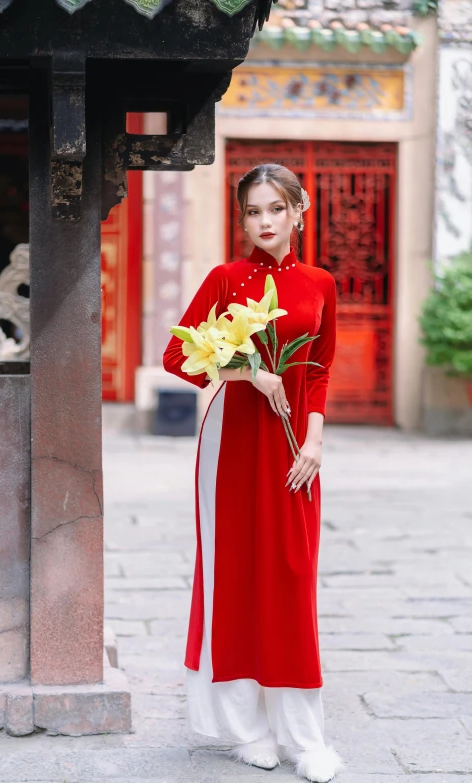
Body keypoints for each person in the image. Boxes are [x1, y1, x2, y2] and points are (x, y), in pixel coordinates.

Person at [162, 164, 343, 782]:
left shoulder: (321, 283)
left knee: (291, 574)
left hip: (294, 447)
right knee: (235, 572)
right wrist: (244, 373)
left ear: (300, 210)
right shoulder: (226, 279)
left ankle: (305, 737)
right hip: (235, 441)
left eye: (274, 209)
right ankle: (247, 729)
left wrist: (314, 442)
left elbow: (317, 369)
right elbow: (176, 356)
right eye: (251, 212)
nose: (263, 222)